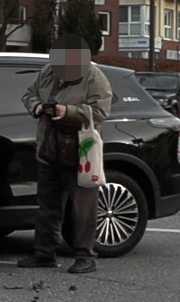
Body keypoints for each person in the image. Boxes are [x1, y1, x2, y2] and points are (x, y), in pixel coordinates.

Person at [18, 33, 112, 274]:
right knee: (47, 205)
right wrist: (38, 107)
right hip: (49, 147)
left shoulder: (94, 77)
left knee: (83, 207)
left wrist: (67, 111)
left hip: (80, 151)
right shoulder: (49, 71)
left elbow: (100, 112)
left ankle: (85, 255)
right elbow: (28, 95)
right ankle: (44, 253)